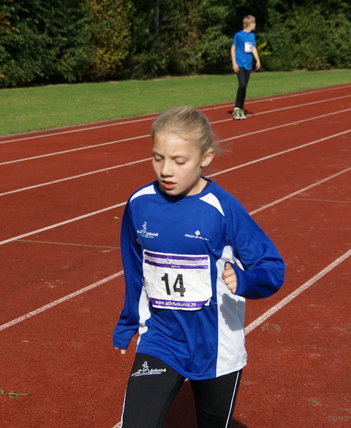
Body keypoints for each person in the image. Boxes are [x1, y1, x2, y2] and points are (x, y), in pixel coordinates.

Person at [113, 106, 285, 427]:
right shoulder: (139, 204)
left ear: (205, 158)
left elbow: (272, 268)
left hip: (217, 348)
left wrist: (247, 282)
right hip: (161, 340)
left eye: (179, 161)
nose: (166, 170)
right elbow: (134, 269)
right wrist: (127, 324)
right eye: (157, 157)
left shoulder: (223, 209)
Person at [230, 15, 261, 120]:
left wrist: (258, 60)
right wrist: (234, 63)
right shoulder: (238, 35)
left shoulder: (252, 36)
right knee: (242, 85)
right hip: (240, 64)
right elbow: (233, 48)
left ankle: (241, 108)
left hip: (248, 64)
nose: (255, 24)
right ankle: (237, 108)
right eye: (254, 23)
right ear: (249, 23)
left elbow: (253, 48)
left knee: (245, 87)